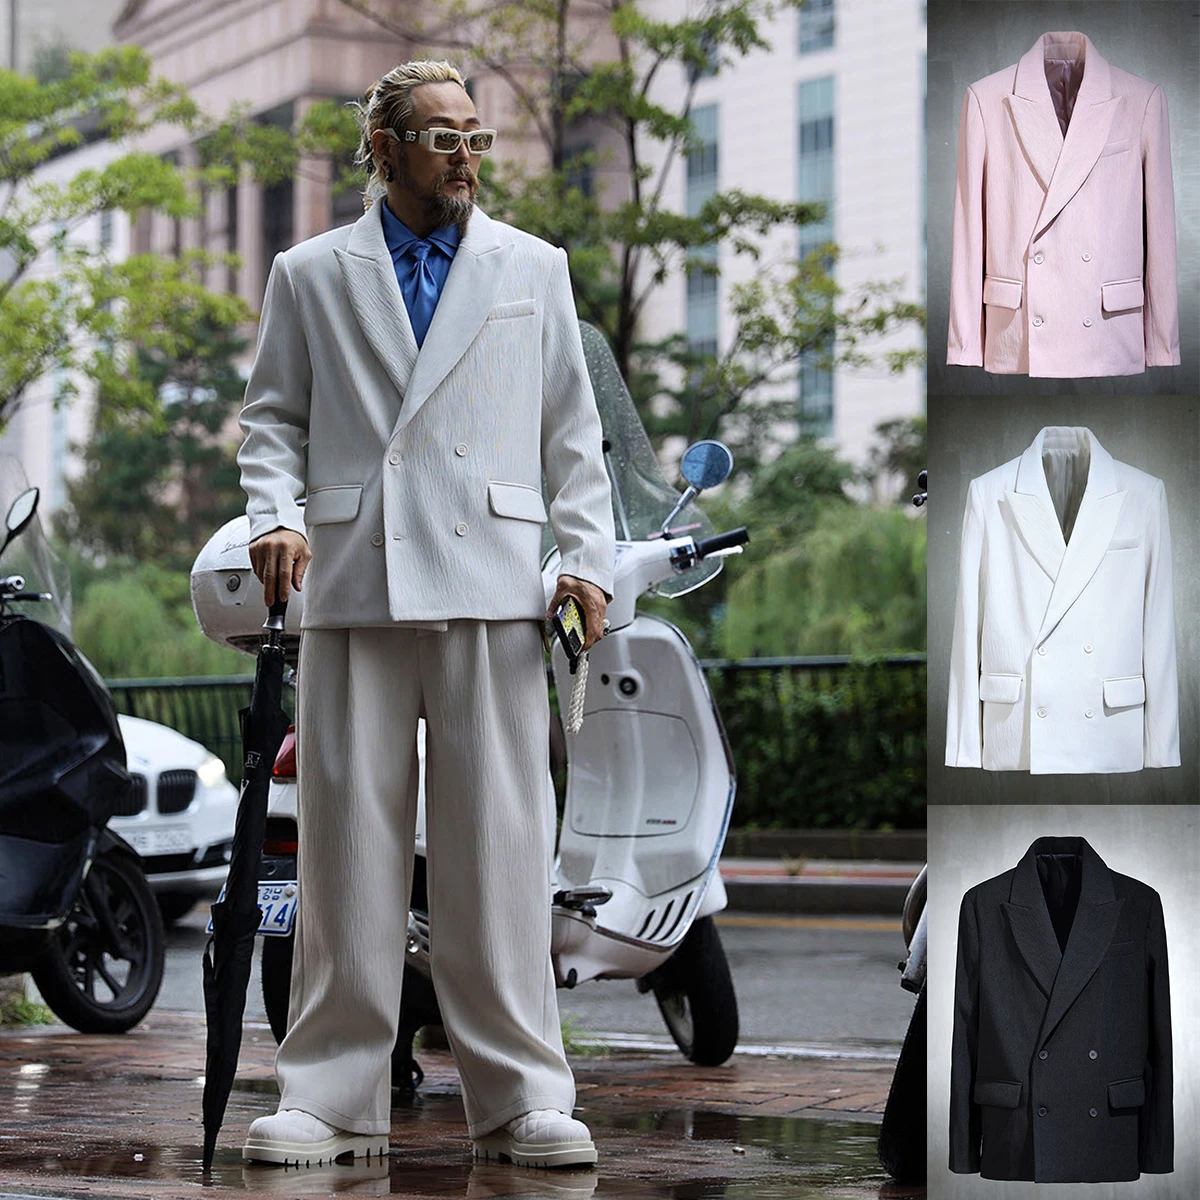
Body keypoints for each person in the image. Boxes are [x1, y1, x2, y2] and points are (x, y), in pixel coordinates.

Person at [236, 59, 615, 1170]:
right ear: (384, 148)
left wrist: (584, 558)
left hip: (493, 578)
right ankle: (327, 1096)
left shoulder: (532, 268)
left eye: (475, 136)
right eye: (443, 137)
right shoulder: (309, 273)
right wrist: (275, 513)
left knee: (500, 845)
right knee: (345, 848)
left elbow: (570, 430)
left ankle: (524, 1098)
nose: (466, 155)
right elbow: (271, 421)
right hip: (355, 578)